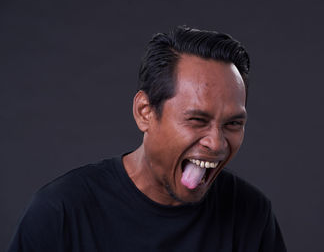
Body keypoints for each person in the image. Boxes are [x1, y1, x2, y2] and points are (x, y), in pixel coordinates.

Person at [8, 26, 287, 251]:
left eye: (233, 123)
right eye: (197, 120)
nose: (216, 143)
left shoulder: (251, 214)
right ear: (145, 113)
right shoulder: (60, 212)